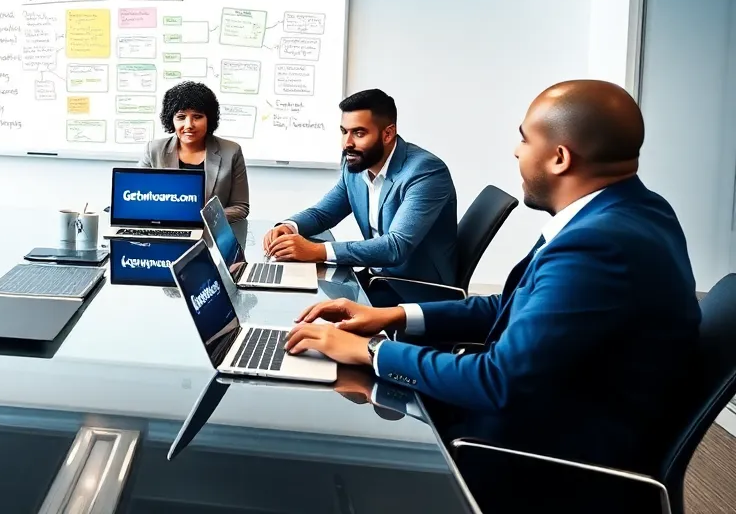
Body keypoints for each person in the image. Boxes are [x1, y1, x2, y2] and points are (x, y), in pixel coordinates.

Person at [285, 80, 700, 473]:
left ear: (559, 157)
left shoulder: (595, 245)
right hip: (558, 402)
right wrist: (391, 318)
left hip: (541, 451)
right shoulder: (631, 211)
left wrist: (371, 351)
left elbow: (497, 381)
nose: (516, 152)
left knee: (338, 445)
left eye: (524, 138)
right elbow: (511, 305)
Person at [261, 89, 459, 286]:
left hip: (415, 289)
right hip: (376, 277)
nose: (347, 143)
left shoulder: (425, 172)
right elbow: (323, 213)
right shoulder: (355, 164)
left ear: (388, 133)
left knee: (316, 310)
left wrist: (316, 251)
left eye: (358, 133)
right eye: (343, 132)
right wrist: (289, 226)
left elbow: (396, 246)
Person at [140, 81, 250, 222]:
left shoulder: (231, 151)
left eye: (197, 117)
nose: (189, 125)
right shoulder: (154, 150)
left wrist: (201, 218)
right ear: (171, 120)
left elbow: (240, 207)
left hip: (210, 234)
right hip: (166, 228)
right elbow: (140, 199)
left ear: (209, 119)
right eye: (181, 117)